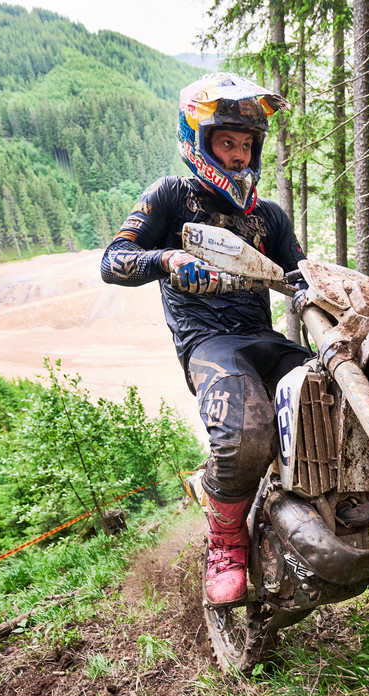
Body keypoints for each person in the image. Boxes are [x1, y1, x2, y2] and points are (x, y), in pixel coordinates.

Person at [100, 73, 312, 606]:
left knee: (334, 392)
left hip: (262, 337)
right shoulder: (171, 196)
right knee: (243, 432)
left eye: (246, 145)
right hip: (208, 343)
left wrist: (328, 290)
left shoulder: (268, 216)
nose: (239, 155)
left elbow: (302, 273)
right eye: (227, 142)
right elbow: (113, 261)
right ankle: (224, 541)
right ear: (198, 142)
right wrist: (168, 259)